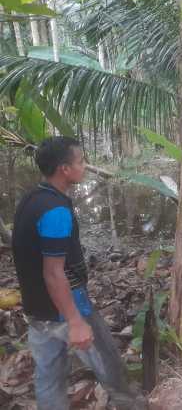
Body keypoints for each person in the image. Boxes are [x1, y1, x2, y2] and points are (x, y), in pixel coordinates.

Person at [11, 137, 140, 410]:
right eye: (80, 161)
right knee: (110, 366)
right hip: (65, 307)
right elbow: (54, 273)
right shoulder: (57, 211)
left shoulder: (31, 199)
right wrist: (75, 321)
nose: (86, 166)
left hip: (36, 311)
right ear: (64, 169)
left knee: (48, 376)